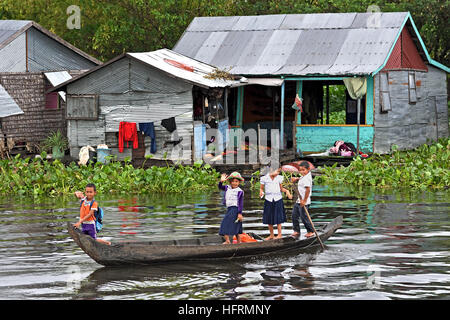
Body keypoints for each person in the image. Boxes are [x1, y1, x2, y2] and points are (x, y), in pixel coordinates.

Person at [260, 167, 292, 240]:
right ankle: (271, 235)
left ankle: (279, 234)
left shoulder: (279, 178)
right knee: (269, 217)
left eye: (279, 172)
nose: (277, 173)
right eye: (276, 171)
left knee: (278, 217)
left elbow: (281, 189)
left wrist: (287, 191)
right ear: (271, 170)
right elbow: (261, 188)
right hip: (268, 199)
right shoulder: (264, 178)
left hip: (278, 199)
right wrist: (261, 192)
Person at [218, 172, 244, 244]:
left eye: (236, 181)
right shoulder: (227, 188)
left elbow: (240, 203)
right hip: (229, 209)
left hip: (235, 209)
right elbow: (220, 187)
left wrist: (240, 213)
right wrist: (221, 181)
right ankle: (238, 242)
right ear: (230, 182)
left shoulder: (240, 191)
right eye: (233, 181)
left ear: (239, 182)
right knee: (236, 225)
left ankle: (227, 241)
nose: (234, 183)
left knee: (225, 224)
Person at [291, 161, 315, 239]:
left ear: (308, 169)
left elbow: (307, 190)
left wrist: (304, 201)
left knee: (304, 217)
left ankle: (310, 231)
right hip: (299, 200)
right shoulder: (304, 176)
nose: (301, 172)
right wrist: (297, 179)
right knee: (294, 216)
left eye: (303, 170)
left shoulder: (307, 178)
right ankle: (296, 230)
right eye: (300, 170)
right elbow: (301, 178)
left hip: (304, 201)